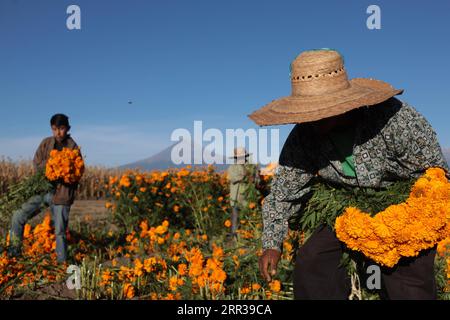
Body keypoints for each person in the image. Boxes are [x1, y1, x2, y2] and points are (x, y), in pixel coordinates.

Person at [249, 49, 450, 300]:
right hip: (348, 208)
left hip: (407, 206)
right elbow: (282, 194)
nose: (312, 119)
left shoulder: (393, 118)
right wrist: (271, 243)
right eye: (307, 112)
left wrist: (407, 221)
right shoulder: (304, 137)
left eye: (320, 110)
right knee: (313, 262)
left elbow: (434, 173)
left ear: (344, 104)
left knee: (408, 283)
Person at [8, 114, 81, 263]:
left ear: (67, 129)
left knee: (60, 231)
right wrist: (50, 166)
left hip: (62, 196)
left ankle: (61, 264)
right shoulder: (46, 143)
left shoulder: (73, 148)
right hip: (43, 192)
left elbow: (78, 172)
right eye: (54, 129)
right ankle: (13, 256)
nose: (58, 133)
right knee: (17, 216)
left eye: (61, 129)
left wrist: (65, 173)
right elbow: (36, 162)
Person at [227, 147, 260, 237]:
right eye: (239, 157)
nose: (241, 159)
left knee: (249, 217)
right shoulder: (232, 167)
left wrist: (255, 175)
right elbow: (233, 178)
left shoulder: (252, 167)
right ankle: (234, 236)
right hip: (236, 198)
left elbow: (257, 180)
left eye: (243, 156)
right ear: (236, 158)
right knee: (235, 218)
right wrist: (246, 176)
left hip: (248, 198)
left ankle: (248, 236)